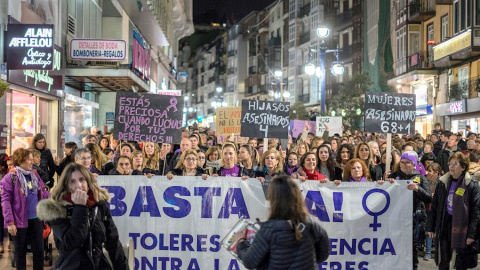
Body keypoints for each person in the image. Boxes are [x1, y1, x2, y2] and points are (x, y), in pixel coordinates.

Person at [36, 163, 129, 270]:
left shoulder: (99, 206)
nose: (79, 185)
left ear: (88, 182)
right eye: (72, 181)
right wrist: (80, 207)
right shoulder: (56, 209)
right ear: (66, 185)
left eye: (82, 180)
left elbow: (113, 243)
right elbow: (72, 241)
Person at [233, 175, 330, 269]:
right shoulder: (312, 224)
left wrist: (241, 242)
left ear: (274, 198)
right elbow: (323, 254)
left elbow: (250, 262)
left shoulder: (268, 230)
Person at [426, 152, 480, 269]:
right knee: (443, 260)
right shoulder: (443, 182)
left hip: (462, 228)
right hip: (445, 224)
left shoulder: (471, 185)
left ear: (463, 166)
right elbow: (435, 206)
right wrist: (430, 227)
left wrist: (471, 234)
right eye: (450, 163)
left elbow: (476, 212)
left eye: (455, 164)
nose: (451, 166)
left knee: (461, 262)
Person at [1, 148, 49, 270]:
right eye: (29, 159)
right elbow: (5, 202)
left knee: (39, 251)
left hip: (37, 219)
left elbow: (43, 194)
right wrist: (10, 223)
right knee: (20, 253)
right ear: (20, 160)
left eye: (33, 159)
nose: (32, 162)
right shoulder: (9, 178)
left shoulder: (35, 176)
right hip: (18, 222)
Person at [387, 151, 432, 270]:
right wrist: (385, 184)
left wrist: (417, 189)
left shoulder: (421, 178)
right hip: (396, 219)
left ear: (414, 164)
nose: (404, 165)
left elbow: (428, 198)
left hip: (413, 219)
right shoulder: (393, 176)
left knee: (412, 250)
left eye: (407, 162)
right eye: (402, 162)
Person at [423, 162, 442, 261]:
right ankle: (428, 252)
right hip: (427, 207)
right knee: (428, 229)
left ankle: (436, 252)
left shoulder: (441, 182)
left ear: (436, 172)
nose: (427, 173)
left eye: (430, 171)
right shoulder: (425, 179)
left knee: (435, 230)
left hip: (437, 209)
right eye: (427, 170)